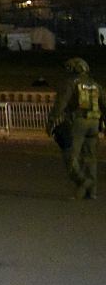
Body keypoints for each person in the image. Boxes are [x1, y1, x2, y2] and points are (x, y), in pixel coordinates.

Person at [48, 56, 102, 200]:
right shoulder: (95, 84)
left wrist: (51, 121)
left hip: (78, 122)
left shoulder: (71, 83)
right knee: (90, 158)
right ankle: (91, 192)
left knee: (71, 156)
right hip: (94, 122)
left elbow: (61, 103)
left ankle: (84, 181)